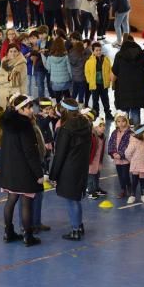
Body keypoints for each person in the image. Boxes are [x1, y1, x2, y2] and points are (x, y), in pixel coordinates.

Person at [0, 94, 44, 246]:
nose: (32, 110)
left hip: (9, 169)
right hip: (24, 170)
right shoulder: (24, 125)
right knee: (26, 203)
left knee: (11, 200)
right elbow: (30, 152)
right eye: (29, 107)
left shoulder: (7, 122)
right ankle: (28, 236)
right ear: (22, 109)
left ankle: (8, 232)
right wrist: (39, 173)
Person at [49, 98, 92, 241]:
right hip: (81, 166)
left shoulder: (65, 129)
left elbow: (59, 154)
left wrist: (53, 175)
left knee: (71, 200)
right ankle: (79, 226)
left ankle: (75, 230)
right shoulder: (86, 124)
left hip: (69, 169)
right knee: (76, 199)